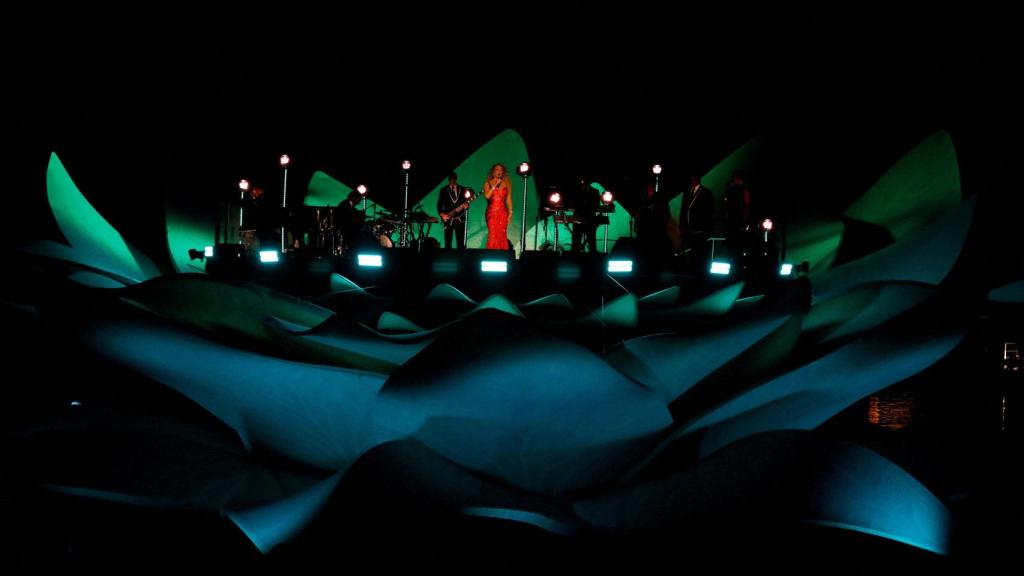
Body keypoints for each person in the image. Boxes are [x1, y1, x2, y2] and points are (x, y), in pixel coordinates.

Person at [636, 181, 672, 272]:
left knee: (655, 250)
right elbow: (639, 212)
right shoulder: (643, 198)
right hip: (644, 229)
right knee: (645, 250)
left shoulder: (659, 198)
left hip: (656, 229)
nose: (649, 188)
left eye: (650, 186)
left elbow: (666, 213)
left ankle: (654, 267)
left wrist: (665, 225)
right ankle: (645, 268)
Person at [681, 175, 714, 268]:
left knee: (701, 252)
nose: (691, 180)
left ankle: (701, 269)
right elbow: (683, 210)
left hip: (700, 229)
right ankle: (691, 268)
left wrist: (707, 227)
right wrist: (682, 225)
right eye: (691, 179)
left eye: (693, 178)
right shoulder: (687, 192)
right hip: (688, 228)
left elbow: (710, 211)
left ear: (697, 179)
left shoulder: (706, 192)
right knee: (690, 251)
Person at [436, 172, 471, 250]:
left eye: (453, 179)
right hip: (448, 218)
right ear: (448, 180)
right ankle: (448, 258)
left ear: (456, 179)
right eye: (450, 179)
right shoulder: (444, 190)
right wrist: (442, 214)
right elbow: (439, 204)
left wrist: (466, 205)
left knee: (461, 242)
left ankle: (461, 258)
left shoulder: (463, 189)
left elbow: (467, 202)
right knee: (448, 241)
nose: (452, 181)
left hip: (460, 218)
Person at [722, 170, 753, 259]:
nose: (736, 180)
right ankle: (732, 257)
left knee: (737, 243)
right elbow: (726, 204)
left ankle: (736, 259)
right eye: (735, 179)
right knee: (731, 242)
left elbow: (747, 205)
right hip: (732, 219)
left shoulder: (744, 189)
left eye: (738, 179)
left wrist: (744, 220)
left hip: (738, 220)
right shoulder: (731, 189)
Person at [482, 163, 512, 250]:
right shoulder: (487, 183)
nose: (499, 172)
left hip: (502, 212)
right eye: (497, 169)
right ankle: (491, 255)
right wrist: (494, 186)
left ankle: (502, 255)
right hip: (491, 212)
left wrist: (510, 212)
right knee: (492, 235)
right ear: (493, 172)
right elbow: (487, 196)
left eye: (501, 170)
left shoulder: (506, 183)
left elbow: (508, 198)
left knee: (502, 234)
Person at [570, 179, 600, 253]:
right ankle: (576, 257)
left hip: (588, 219)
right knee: (576, 242)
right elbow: (573, 203)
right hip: (580, 219)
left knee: (591, 242)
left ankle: (591, 258)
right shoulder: (577, 191)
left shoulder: (594, 191)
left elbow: (596, 205)